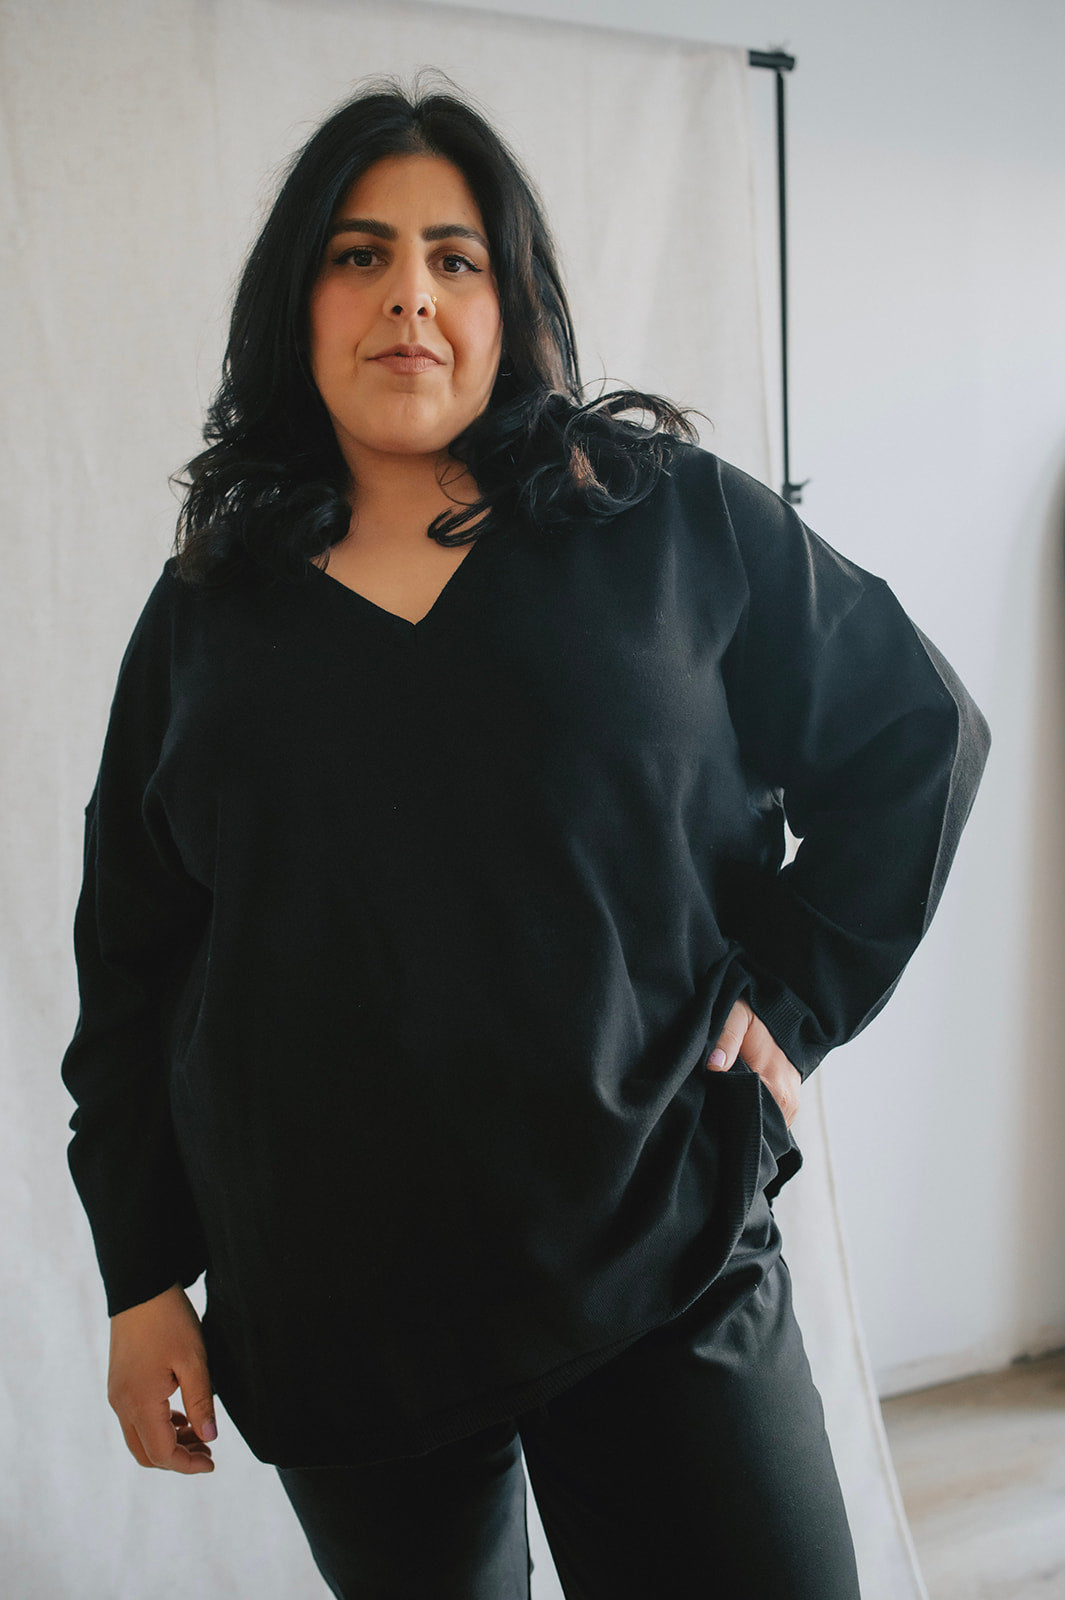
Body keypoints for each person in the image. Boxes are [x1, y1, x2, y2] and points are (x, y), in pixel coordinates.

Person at [60, 76, 989, 1600]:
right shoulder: (207, 618)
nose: (408, 297)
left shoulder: (661, 522)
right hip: (340, 1314)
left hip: (658, 1253)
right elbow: (133, 960)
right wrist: (140, 1272)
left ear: (512, 303)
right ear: (296, 302)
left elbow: (911, 732)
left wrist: (796, 993)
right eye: (358, 255)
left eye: (455, 256)